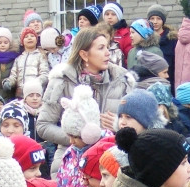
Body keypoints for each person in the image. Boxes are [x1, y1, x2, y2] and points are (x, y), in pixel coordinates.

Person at [38, 28, 133, 174]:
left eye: (107, 47)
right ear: (84, 54)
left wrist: (118, 125)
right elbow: (43, 125)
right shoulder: (61, 80)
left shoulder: (121, 80)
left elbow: (138, 127)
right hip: (70, 162)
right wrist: (77, 137)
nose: (108, 52)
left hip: (111, 162)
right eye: (101, 48)